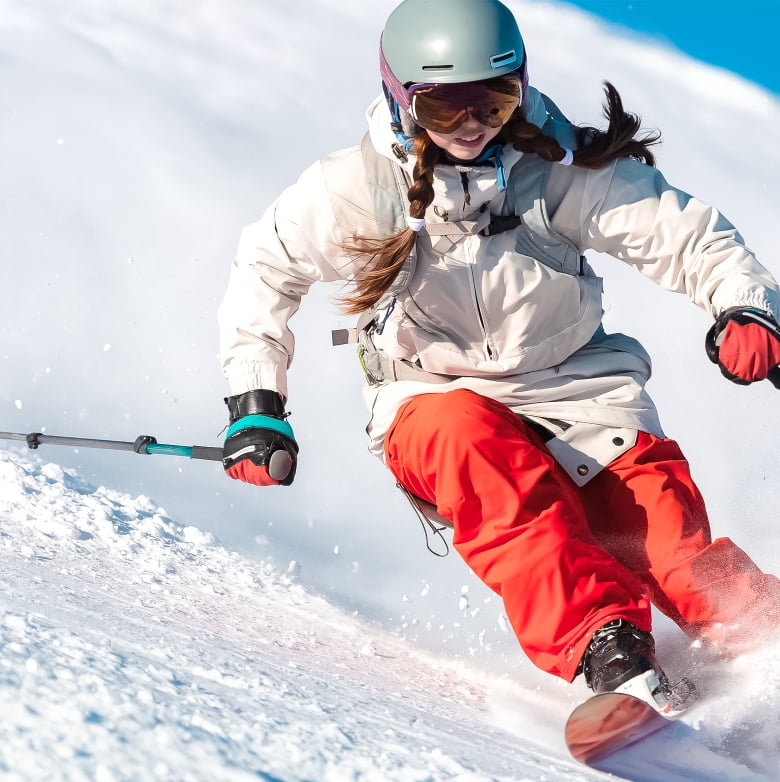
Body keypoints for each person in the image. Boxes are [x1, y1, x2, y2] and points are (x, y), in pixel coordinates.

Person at [217, 0, 780, 712]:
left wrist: (746, 306)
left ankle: (766, 657)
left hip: (580, 392)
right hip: (431, 398)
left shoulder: (559, 168)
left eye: (495, 100)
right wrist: (255, 405)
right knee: (481, 459)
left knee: (674, 551)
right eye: (445, 110)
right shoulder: (356, 189)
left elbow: (687, 236)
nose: (473, 124)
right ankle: (605, 645)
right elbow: (265, 270)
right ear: (401, 100)